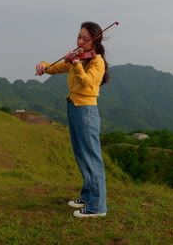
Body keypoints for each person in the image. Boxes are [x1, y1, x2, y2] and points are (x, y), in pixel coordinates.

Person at [35, 21, 110, 218]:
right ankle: (87, 197)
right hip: (74, 107)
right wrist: (44, 65)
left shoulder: (97, 62)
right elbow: (55, 67)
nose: (80, 41)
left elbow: (86, 83)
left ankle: (98, 207)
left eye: (85, 39)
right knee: (81, 154)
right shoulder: (79, 58)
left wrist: (76, 64)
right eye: (79, 37)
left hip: (86, 110)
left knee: (92, 157)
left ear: (95, 41)